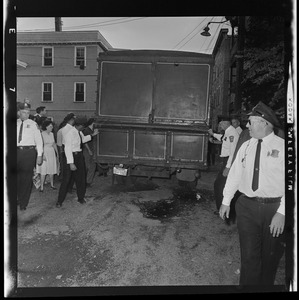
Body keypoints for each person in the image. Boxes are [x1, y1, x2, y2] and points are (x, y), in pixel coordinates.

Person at [219, 101, 285, 287]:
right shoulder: (246, 146)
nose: (247, 126)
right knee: (249, 257)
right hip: (247, 206)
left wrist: (283, 212)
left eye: (251, 122)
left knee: (269, 258)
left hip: (274, 209)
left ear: (264, 123)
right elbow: (235, 175)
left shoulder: (283, 148)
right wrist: (226, 200)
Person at [56, 116, 99, 208]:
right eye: (83, 126)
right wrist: (71, 163)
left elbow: (82, 140)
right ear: (79, 125)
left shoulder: (79, 132)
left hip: (79, 156)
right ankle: (59, 201)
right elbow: (67, 148)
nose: (84, 128)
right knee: (66, 180)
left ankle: (81, 198)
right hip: (70, 156)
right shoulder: (69, 133)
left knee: (81, 179)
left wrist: (92, 135)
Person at [208, 120, 239, 214]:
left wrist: (228, 167)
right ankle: (223, 208)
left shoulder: (232, 133)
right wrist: (213, 134)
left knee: (219, 185)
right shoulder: (229, 132)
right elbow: (222, 138)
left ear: (226, 124)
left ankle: (222, 209)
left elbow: (233, 152)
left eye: (221, 123)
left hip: (229, 162)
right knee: (220, 185)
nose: (220, 125)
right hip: (227, 161)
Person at [17, 102, 43, 211]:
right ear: (19, 112)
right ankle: (17, 198)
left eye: (28, 112)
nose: (26, 114)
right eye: (24, 112)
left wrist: (40, 155)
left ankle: (23, 203)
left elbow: (39, 141)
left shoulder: (33, 124)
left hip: (29, 153)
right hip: (16, 152)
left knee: (26, 179)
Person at [35, 119, 59, 192]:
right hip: (44, 152)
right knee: (43, 169)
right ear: (46, 127)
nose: (52, 127)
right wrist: (42, 155)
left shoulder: (52, 134)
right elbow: (38, 145)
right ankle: (42, 187)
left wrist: (57, 153)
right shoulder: (41, 134)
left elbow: (54, 144)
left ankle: (52, 184)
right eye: (50, 126)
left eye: (52, 126)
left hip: (51, 152)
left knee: (51, 168)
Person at [82, 118, 97, 187]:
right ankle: (84, 181)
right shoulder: (86, 130)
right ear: (92, 123)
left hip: (93, 149)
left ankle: (88, 181)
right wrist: (89, 150)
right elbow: (85, 142)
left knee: (92, 166)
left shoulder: (93, 130)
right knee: (87, 166)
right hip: (88, 150)